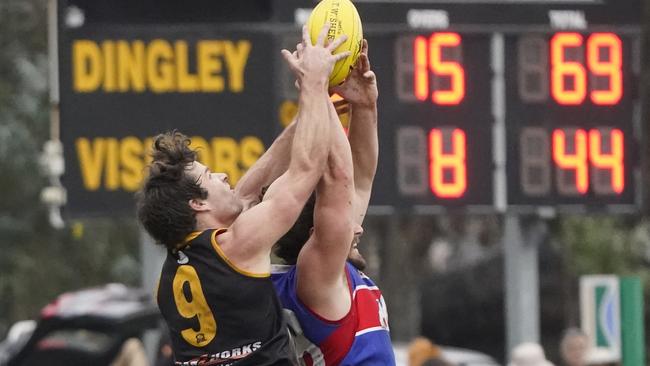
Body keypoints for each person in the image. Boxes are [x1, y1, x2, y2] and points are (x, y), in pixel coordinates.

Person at [136, 24, 350, 365]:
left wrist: (305, 114)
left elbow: (246, 194)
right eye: (209, 175)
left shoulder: (171, 276)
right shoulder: (237, 246)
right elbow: (305, 170)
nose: (222, 175)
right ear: (198, 203)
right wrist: (315, 83)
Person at [271, 39, 395, 364]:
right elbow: (339, 177)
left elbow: (361, 176)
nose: (358, 226)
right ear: (319, 230)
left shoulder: (332, 265)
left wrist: (365, 106)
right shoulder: (317, 276)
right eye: (346, 218)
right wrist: (316, 86)